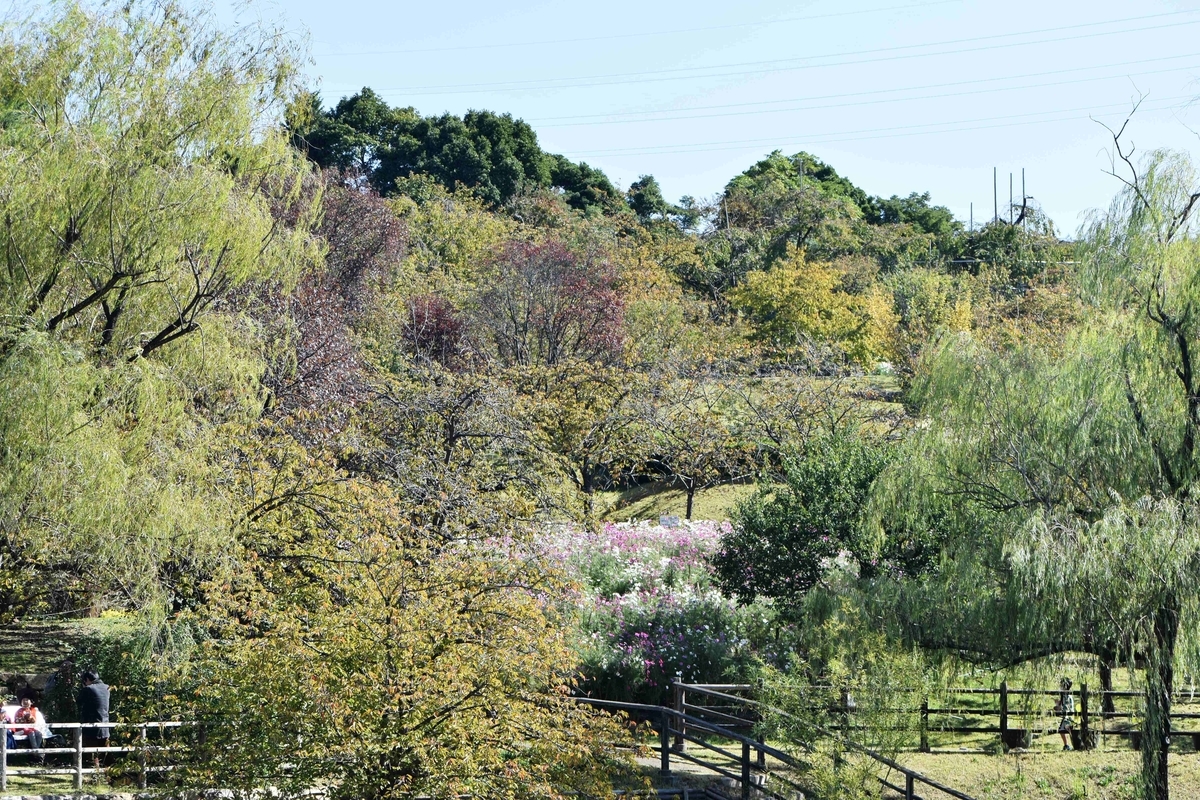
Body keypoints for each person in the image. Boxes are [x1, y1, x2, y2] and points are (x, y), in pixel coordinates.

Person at [77, 670, 110, 769]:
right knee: (106, 753)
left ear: (87, 679)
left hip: (91, 726)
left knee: (92, 754)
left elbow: (79, 702)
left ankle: (96, 775)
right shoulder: (107, 687)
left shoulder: (88, 689)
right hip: (105, 724)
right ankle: (111, 776)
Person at [13, 696, 49, 764]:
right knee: (31, 732)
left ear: (30, 702)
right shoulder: (19, 711)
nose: (25, 702)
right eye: (24, 700)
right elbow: (17, 721)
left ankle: (35, 753)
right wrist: (24, 717)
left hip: (31, 727)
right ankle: (37, 753)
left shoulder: (33, 710)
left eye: (27, 700)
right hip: (21, 728)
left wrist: (30, 718)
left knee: (39, 733)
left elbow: (35, 721)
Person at [1055, 677, 1075, 751]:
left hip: (1067, 716)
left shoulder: (1066, 695)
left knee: (1064, 730)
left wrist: (1059, 708)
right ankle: (1068, 745)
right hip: (1067, 715)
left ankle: (1069, 745)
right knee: (1067, 730)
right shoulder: (1064, 695)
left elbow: (1066, 706)